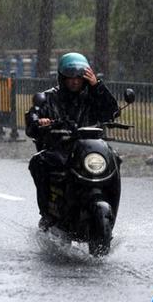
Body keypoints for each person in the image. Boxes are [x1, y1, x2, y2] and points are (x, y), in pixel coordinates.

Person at [25, 52, 119, 229]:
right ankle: (47, 213)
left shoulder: (93, 97)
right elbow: (32, 123)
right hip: (61, 149)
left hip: (89, 149)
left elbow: (111, 112)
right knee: (39, 162)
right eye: (70, 77)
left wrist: (96, 85)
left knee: (114, 158)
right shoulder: (48, 98)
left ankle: (112, 204)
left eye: (79, 77)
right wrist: (40, 122)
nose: (75, 81)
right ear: (62, 78)